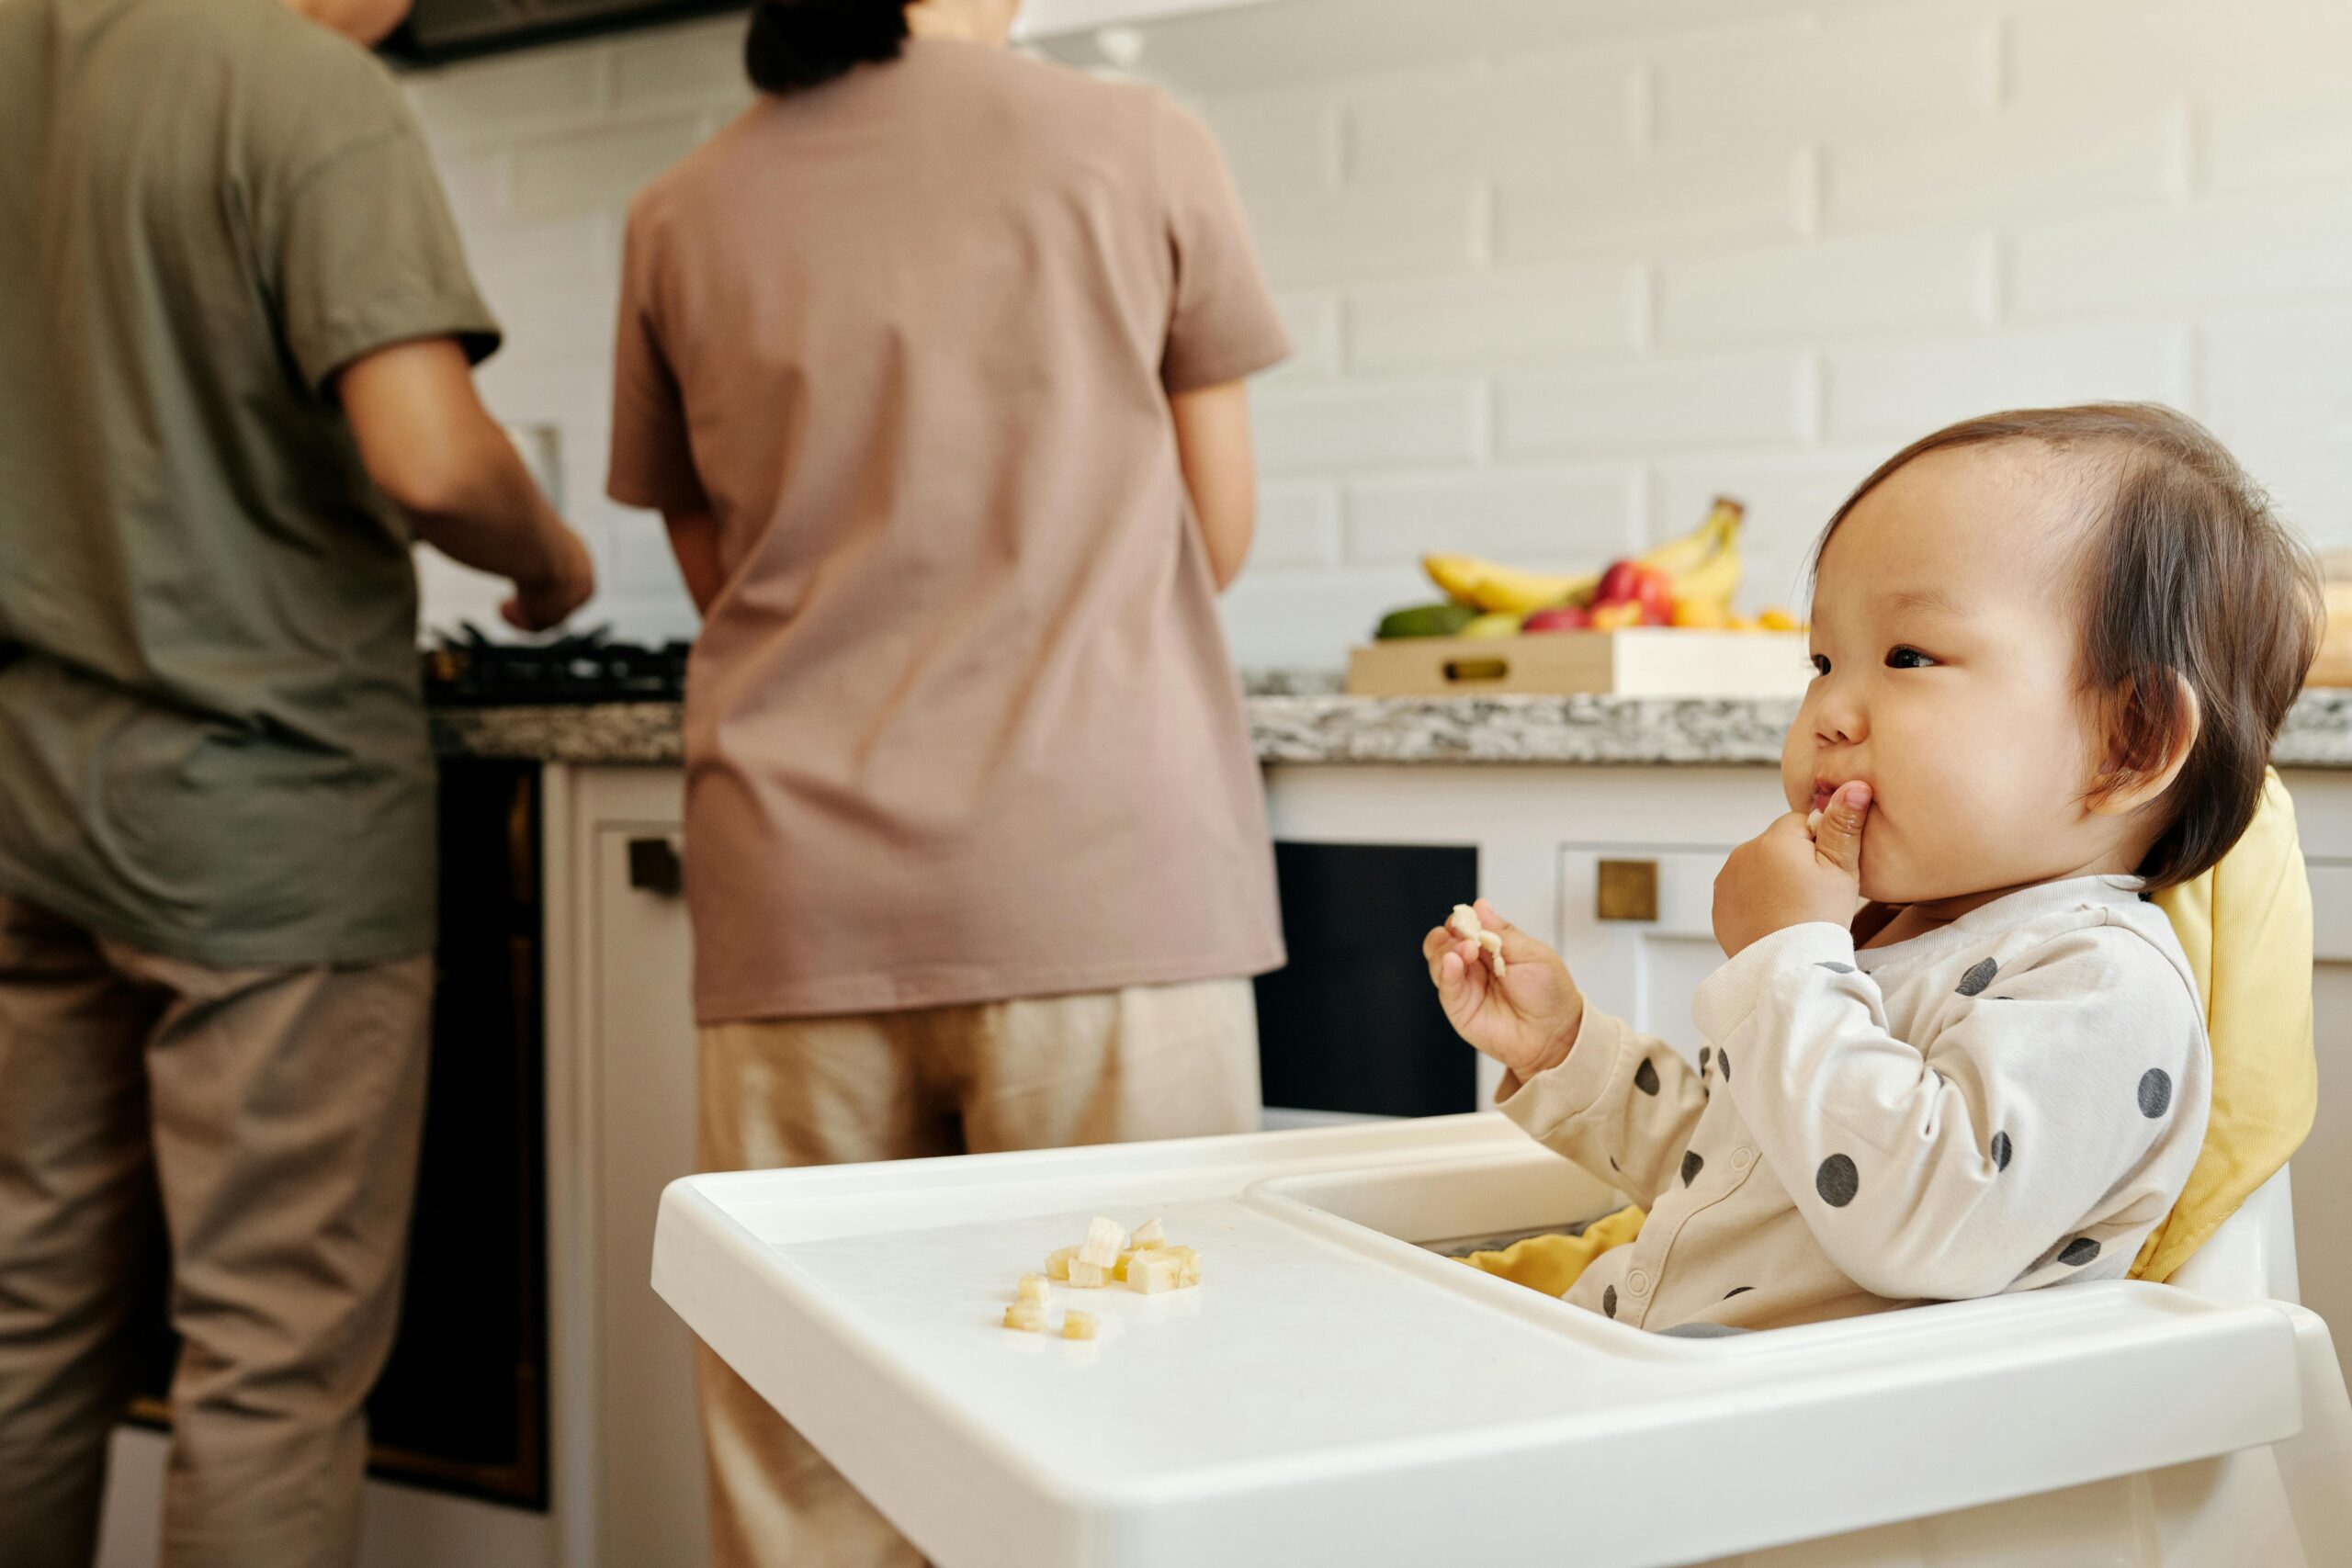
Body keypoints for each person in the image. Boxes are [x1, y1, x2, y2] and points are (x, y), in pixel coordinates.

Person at [605, 0, 1289, 1558]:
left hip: (797, 892)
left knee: (804, 1450)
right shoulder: (1139, 141)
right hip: (1097, 878)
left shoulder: (681, 208)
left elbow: (717, 565)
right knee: (1130, 1408)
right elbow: (1218, 530)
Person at [0, 0, 595, 1561]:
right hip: (269, 815)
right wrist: (548, 556)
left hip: (28, 800)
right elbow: (426, 453)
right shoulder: (298, 87)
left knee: (26, 1317)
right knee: (269, 1353)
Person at [1426, 404, 2319, 1331]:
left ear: (2128, 742)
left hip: (1804, 1446)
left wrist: (1786, 961)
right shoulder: (1872, 942)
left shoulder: (2102, 986)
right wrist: (1569, 1051)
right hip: (1655, 1382)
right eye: (1821, 659)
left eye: (1906, 656)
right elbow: (1744, 1177)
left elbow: (1923, 1221)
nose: (1828, 711)